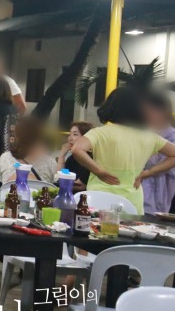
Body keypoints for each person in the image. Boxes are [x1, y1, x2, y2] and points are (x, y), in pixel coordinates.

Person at [70, 87, 175, 215]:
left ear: (110, 107)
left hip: (97, 200)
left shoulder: (100, 133)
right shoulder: (150, 137)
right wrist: (148, 172)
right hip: (132, 203)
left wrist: (98, 171)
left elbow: (77, 149)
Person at [141, 92, 175, 214]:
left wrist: (149, 171)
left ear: (164, 112)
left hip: (158, 201)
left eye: (150, 111)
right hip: (136, 195)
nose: (146, 116)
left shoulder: (172, 136)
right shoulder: (141, 133)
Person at [0, 116, 57, 183]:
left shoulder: (6, 157)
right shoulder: (50, 162)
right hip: (39, 193)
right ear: (39, 137)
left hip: (10, 193)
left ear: (17, 136)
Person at [56, 121, 93, 191]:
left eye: (75, 134)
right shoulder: (72, 158)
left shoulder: (90, 158)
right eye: (70, 134)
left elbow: (80, 186)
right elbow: (62, 175)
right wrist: (62, 155)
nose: (70, 138)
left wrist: (58, 185)